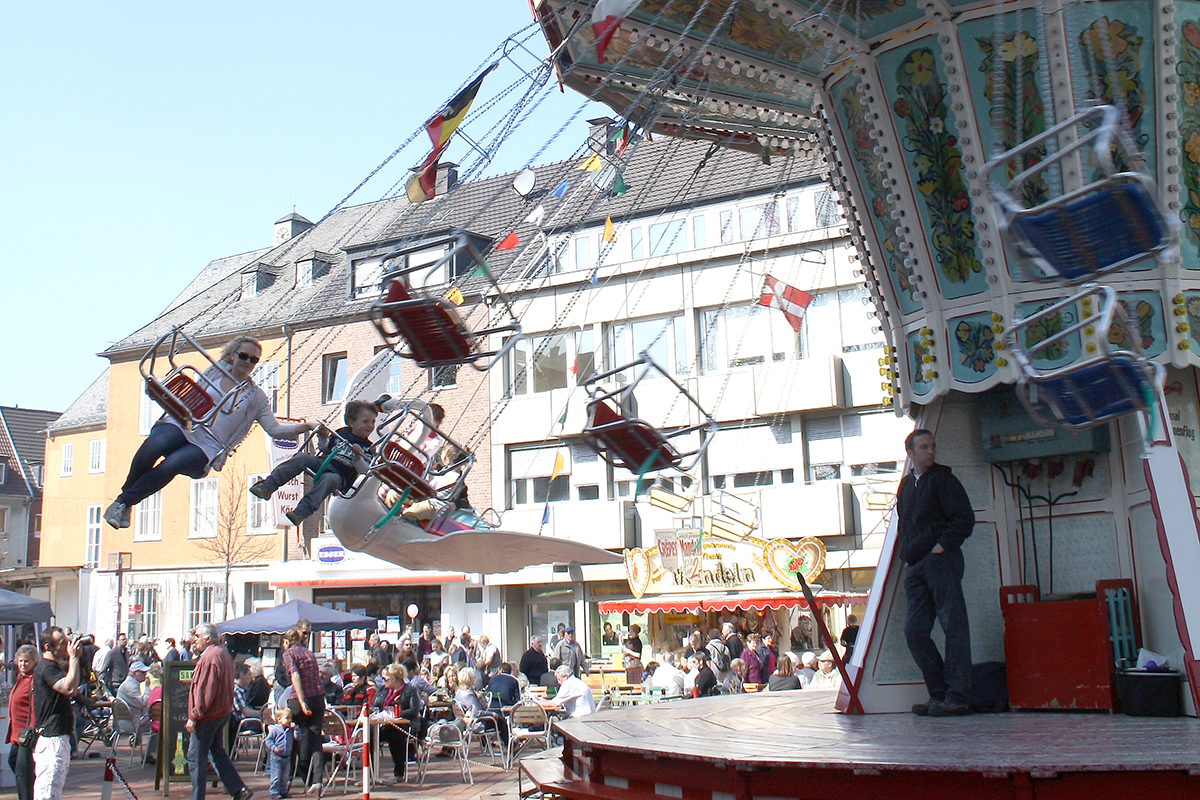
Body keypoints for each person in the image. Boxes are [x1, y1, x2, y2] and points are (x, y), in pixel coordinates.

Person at [103, 335, 314, 529]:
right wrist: (161, 392)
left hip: (208, 445)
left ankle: (123, 501)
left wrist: (306, 426)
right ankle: (124, 503)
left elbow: (274, 429)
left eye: (253, 360)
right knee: (154, 445)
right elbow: (191, 392)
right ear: (233, 355)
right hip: (185, 424)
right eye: (244, 356)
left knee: (173, 463)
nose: (248, 362)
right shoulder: (217, 369)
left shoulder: (256, 397)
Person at [898, 429, 975, 718]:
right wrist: (907, 556)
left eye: (932, 446)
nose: (931, 451)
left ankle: (957, 696)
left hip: (940, 561)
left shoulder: (944, 480)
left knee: (953, 626)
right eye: (925, 447)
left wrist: (942, 546)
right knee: (915, 631)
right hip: (917, 564)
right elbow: (904, 523)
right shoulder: (906, 486)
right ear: (911, 453)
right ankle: (940, 694)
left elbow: (964, 518)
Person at [251, 400, 376, 527]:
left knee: (329, 479)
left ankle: (301, 512)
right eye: (365, 421)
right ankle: (268, 486)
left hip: (340, 476)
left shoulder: (368, 448)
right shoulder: (342, 433)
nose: (370, 426)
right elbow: (324, 448)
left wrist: (358, 457)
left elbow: (364, 471)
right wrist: (322, 436)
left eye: (373, 422)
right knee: (303, 458)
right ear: (351, 422)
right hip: (324, 463)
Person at [186, 623, 251, 800]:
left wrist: (195, 716)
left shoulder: (210, 657)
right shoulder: (223, 654)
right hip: (221, 713)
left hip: (209, 715)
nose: (195, 640)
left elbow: (205, 690)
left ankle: (197, 797)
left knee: (195, 757)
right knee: (215, 751)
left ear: (208, 639)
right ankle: (238, 789)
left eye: (198, 636)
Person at [32, 628, 83, 800]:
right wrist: (74, 658)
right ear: (48, 647)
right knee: (48, 790)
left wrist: (74, 661)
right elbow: (68, 688)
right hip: (52, 738)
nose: (68, 646)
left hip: (56, 736)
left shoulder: (52, 667)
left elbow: (73, 690)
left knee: (52, 788)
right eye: (63, 643)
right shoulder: (47, 668)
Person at [281, 627, 323, 795]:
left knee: (293, 737)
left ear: (286, 642)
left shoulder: (289, 653)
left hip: (301, 699)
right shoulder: (309, 653)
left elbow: (295, 676)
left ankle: (290, 777)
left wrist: (301, 699)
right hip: (318, 697)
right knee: (315, 739)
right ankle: (318, 781)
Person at [8, 644, 37, 800]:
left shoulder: (32, 681)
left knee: (22, 771)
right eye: (20, 661)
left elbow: (34, 707)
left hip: (26, 734)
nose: (23, 664)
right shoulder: (20, 678)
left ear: (33, 662)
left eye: (26, 661)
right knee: (13, 761)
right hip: (16, 733)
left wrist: (32, 728)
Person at [115, 660, 150, 739]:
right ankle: (152, 750)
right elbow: (144, 703)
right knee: (159, 722)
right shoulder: (130, 686)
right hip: (131, 724)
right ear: (134, 673)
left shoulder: (129, 684)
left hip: (124, 722)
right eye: (142, 672)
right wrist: (147, 688)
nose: (145, 675)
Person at [265, 708, 294, 800]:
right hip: (277, 756)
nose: (289, 720)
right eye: (287, 718)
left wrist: (296, 729)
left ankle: (282, 791)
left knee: (285, 776)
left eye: (290, 718)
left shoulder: (290, 730)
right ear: (279, 719)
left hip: (287, 756)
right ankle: (274, 792)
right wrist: (274, 748)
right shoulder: (275, 730)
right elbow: (268, 740)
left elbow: (298, 737)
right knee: (276, 775)